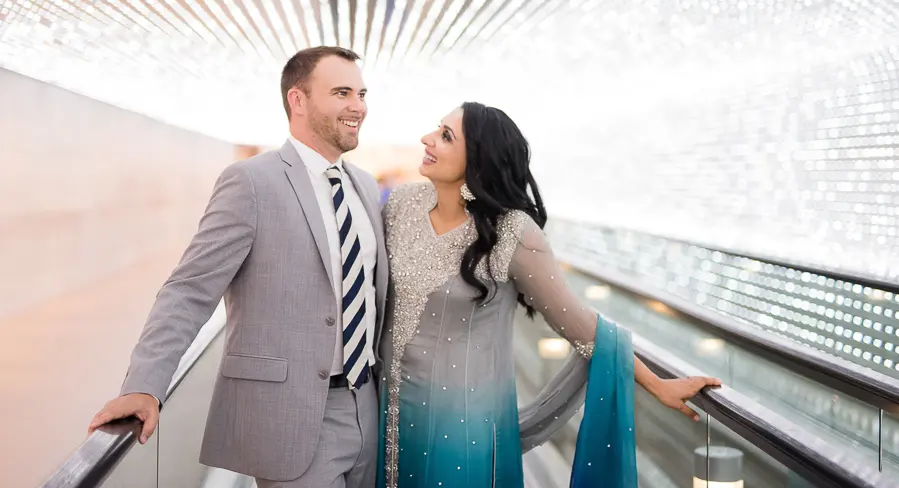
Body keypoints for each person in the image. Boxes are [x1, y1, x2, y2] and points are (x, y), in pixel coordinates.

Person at [375, 102, 721, 488]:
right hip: (389, 420)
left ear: (479, 159)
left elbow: (582, 327)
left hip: (463, 433)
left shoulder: (512, 233)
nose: (427, 139)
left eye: (446, 136)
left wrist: (658, 384)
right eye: (436, 129)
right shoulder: (401, 206)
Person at [88, 46, 388, 488]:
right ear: (298, 99)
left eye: (362, 93)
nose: (358, 107)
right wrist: (144, 384)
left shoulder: (363, 184)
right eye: (342, 92)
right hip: (292, 417)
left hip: (366, 406)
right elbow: (189, 290)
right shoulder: (251, 182)